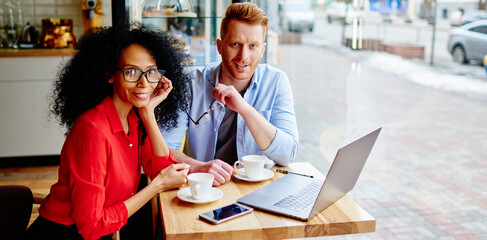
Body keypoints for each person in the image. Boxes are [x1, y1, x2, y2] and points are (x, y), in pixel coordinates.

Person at [25, 24, 191, 240]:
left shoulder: (134, 116)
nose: (143, 83)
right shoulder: (92, 131)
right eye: (131, 72)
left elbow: (166, 169)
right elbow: (91, 227)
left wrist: (149, 113)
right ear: (110, 75)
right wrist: (156, 187)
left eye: (151, 72)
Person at [162, 2, 299, 186]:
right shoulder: (190, 83)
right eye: (235, 44)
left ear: (263, 50)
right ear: (220, 46)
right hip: (205, 188)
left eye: (253, 46)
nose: (244, 56)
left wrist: (244, 109)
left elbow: (287, 154)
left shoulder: (277, 82)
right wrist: (197, 167)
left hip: (256, 190)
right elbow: (164, 148)